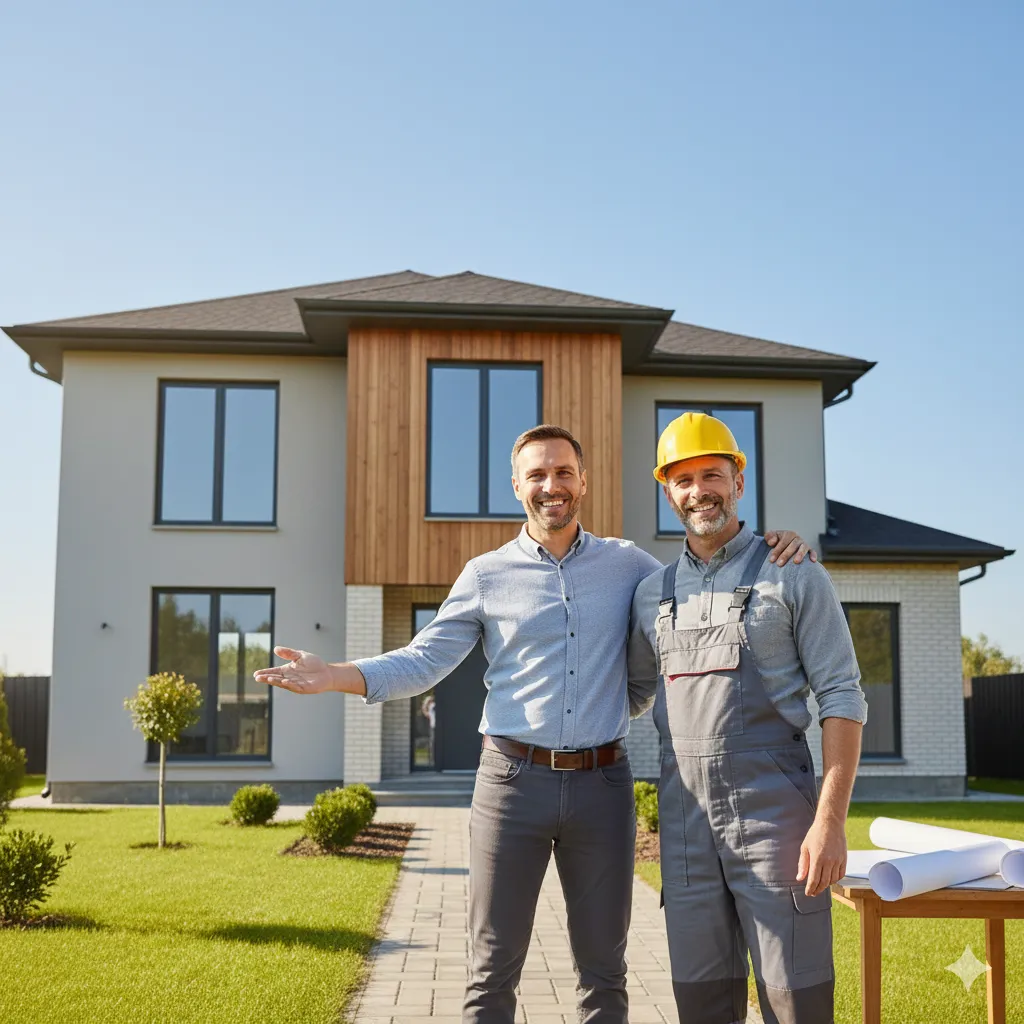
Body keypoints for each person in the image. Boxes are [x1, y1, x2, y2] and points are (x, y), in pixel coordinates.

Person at [254, 424, 814, 1024]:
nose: (553, 485)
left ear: (583, 481)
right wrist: (334, 673)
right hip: (511, 785)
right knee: (491, 969)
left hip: (603, 788)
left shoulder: (629, 567)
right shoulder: (486, 574)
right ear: (517, 485)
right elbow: (425, 659)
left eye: (565, 472)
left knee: (604, 969)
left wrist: (773, 545)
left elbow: (693, 591)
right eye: (539, 474)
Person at [627, 412, 867, 1024]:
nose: (698, 490)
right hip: (684, 822)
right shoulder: (650, 593)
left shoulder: (794, 572)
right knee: (701, 999)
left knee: (796, 997)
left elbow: (842, 696)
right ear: (667, 491)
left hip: (777, 815)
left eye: (712, 474)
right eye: (682, 479)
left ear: (738, 481)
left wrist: (830, 823)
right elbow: (627, 691)